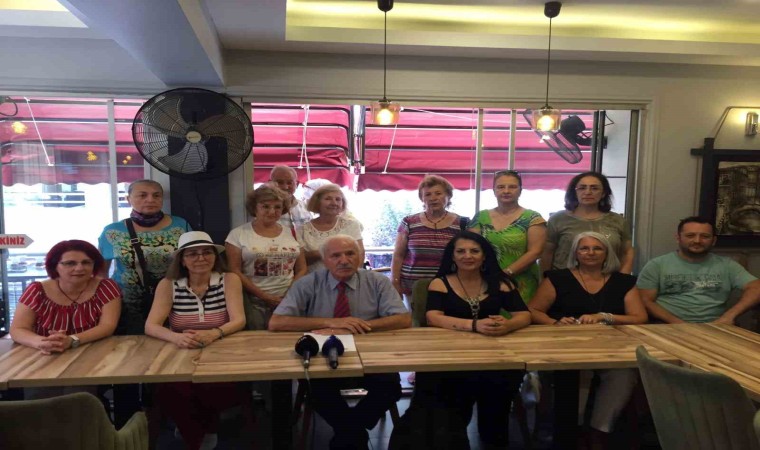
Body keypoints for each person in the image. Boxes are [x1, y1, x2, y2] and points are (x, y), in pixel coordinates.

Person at [269, 235, 410, 450]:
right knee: (319, 391)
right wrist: (331, 322)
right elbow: (276, 322)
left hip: (370, 357)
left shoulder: (377, 281)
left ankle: (348, 432)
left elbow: (403, 319)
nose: (344, 260)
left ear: (360, 256)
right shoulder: (308, 283)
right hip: (324, 360)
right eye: (336, 255)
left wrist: (356, 326)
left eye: (350, 253)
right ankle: (354, 433)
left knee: (390, 387)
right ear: (325, 260)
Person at [405, 231, 532, 449]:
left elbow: (524, 315)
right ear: (452, 256)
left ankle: (493, 437)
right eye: (461, 251)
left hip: (493, 355)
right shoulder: (440, 283)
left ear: (484, 256)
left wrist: (508, 325)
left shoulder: (501, 283)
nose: (468, 256)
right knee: (448, 396)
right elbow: (433, 317)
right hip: (450, 356)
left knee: (499, 393)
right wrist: (474, 325)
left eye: (474, 251)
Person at [529, 231, 647, 449]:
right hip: (567, 348)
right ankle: (573, 429)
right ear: (575, 252)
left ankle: (599, 430)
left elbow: (639, 317)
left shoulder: (624, 282)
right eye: (584, 248)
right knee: (575, 374)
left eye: (597, 248)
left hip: (611, 349)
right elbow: (534, 310)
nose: (590, 253)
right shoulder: (557, 278)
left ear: (607, 253)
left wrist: (605, 316)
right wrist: (555, 322)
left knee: (624, 373)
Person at [98, 178, 190, 426]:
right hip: (127, 307)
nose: (150, 200)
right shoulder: (112, 232)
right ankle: (127, 422)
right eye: (142, 195)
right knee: (127, 363)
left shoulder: (181, 226)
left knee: (170, 360)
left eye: (156, 195)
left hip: (174, 305)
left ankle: (167, 418)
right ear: (128, 199)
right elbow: (101, 275)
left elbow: (191, 261)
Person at [145, 231, 245, 450]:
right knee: (175, 389)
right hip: (181, 350)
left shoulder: (229, 279)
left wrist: (214, 333)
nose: (201, 258)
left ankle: (200, 432)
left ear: (215, 257)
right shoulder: (168, 284)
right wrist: (176, 337)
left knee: (214, 387)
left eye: (207, 252)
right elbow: (151, 326)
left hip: (221, 349)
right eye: (192, 254)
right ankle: (197, 435)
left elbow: (239, 320)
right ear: (182, 260)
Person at [637, 216, 760, 324]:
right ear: (678, 238)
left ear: (713, 240)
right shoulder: (657, 265)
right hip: (667, 325)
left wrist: (729, 316)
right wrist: (678, 323)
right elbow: (645, 300)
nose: (697, 241)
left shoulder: (727, 265)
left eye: (705, 236)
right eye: (690, 236)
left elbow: (756, 287)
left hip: (715, 325)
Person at [11, 240, 121, 354]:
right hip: (44, 354)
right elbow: (17, 329)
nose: (79, 268)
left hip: (94, 353)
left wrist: (72, 340)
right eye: (70, 263)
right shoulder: (36, 290)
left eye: (86, 262)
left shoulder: (106, 287)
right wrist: (43, 342)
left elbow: (107, 326)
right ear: (55, 266)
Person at [225, 185, 307, 330]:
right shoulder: (238, 234)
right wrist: (264, 296)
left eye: (277, 207)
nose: (272, 211)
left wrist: (290, 294)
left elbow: (302, 268)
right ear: (254, 207)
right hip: (253, 302)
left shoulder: (292, 233)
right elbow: (234, 270)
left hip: (288, 301)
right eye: (266, 206)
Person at [470, 170, 547, 302]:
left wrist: (505, 274)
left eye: (512, 187)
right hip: (484, 280)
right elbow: (470, 247)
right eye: (501, 187)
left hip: (521, 283)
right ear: (494, 191)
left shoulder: (533, 218)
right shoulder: (480, 217)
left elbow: (535, 252)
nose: (506, 191)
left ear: (520, 191)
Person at [392, 174, 469, 300]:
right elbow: (398, 255)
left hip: (450, 286)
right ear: (422, 198)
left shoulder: (463, 223)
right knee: (415, 314)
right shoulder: (409, 222)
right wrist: (395, 282)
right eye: (427, 194)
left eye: (438, 193)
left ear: (448, 196)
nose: (433, 198)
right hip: (412, 287)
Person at [541, 171, 634, 274]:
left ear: (603, 193)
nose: (588, 192)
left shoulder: (618, 220)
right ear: (575, 192)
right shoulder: (558, 219)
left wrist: (623, 278)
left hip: (609, 278)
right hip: (564, 278)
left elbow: (627, 252)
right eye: (582, 188)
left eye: (594, 188)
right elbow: (547, 253)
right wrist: (545, 278)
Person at [299, 183, 364, 273]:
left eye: (338, 199)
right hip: (314, 279)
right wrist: (321, 253)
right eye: (328, 199)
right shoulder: (303, 229)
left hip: (347, 278)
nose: (334, 203)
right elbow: (299, 261)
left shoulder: (351, 225)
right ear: (317, 202)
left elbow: (360, 255)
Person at [270, 165, 312, 235]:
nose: (285, 187)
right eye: (280, 182)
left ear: (297, 184)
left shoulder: (305, 207)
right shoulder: (263, 209)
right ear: (270, 183)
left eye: (289, 183)